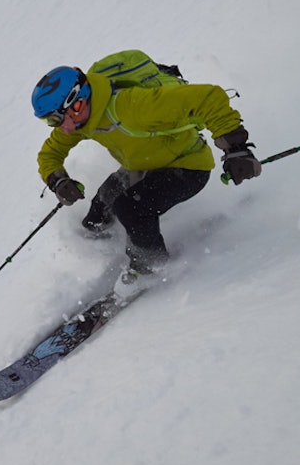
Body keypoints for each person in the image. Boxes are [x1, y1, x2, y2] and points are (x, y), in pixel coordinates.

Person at [31, 63, 262, 301]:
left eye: (56, 119)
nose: (60, 128)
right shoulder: (79, 121)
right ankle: (117, 246)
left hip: (187, 166)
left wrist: (236, 149)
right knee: (98, 213)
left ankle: (149, 266)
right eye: (50, 122)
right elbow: (49, 154)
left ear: (76, 102)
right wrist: (58, 181)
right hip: (143, 165)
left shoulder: (133, 105)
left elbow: (208, 97)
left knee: (129, 207)